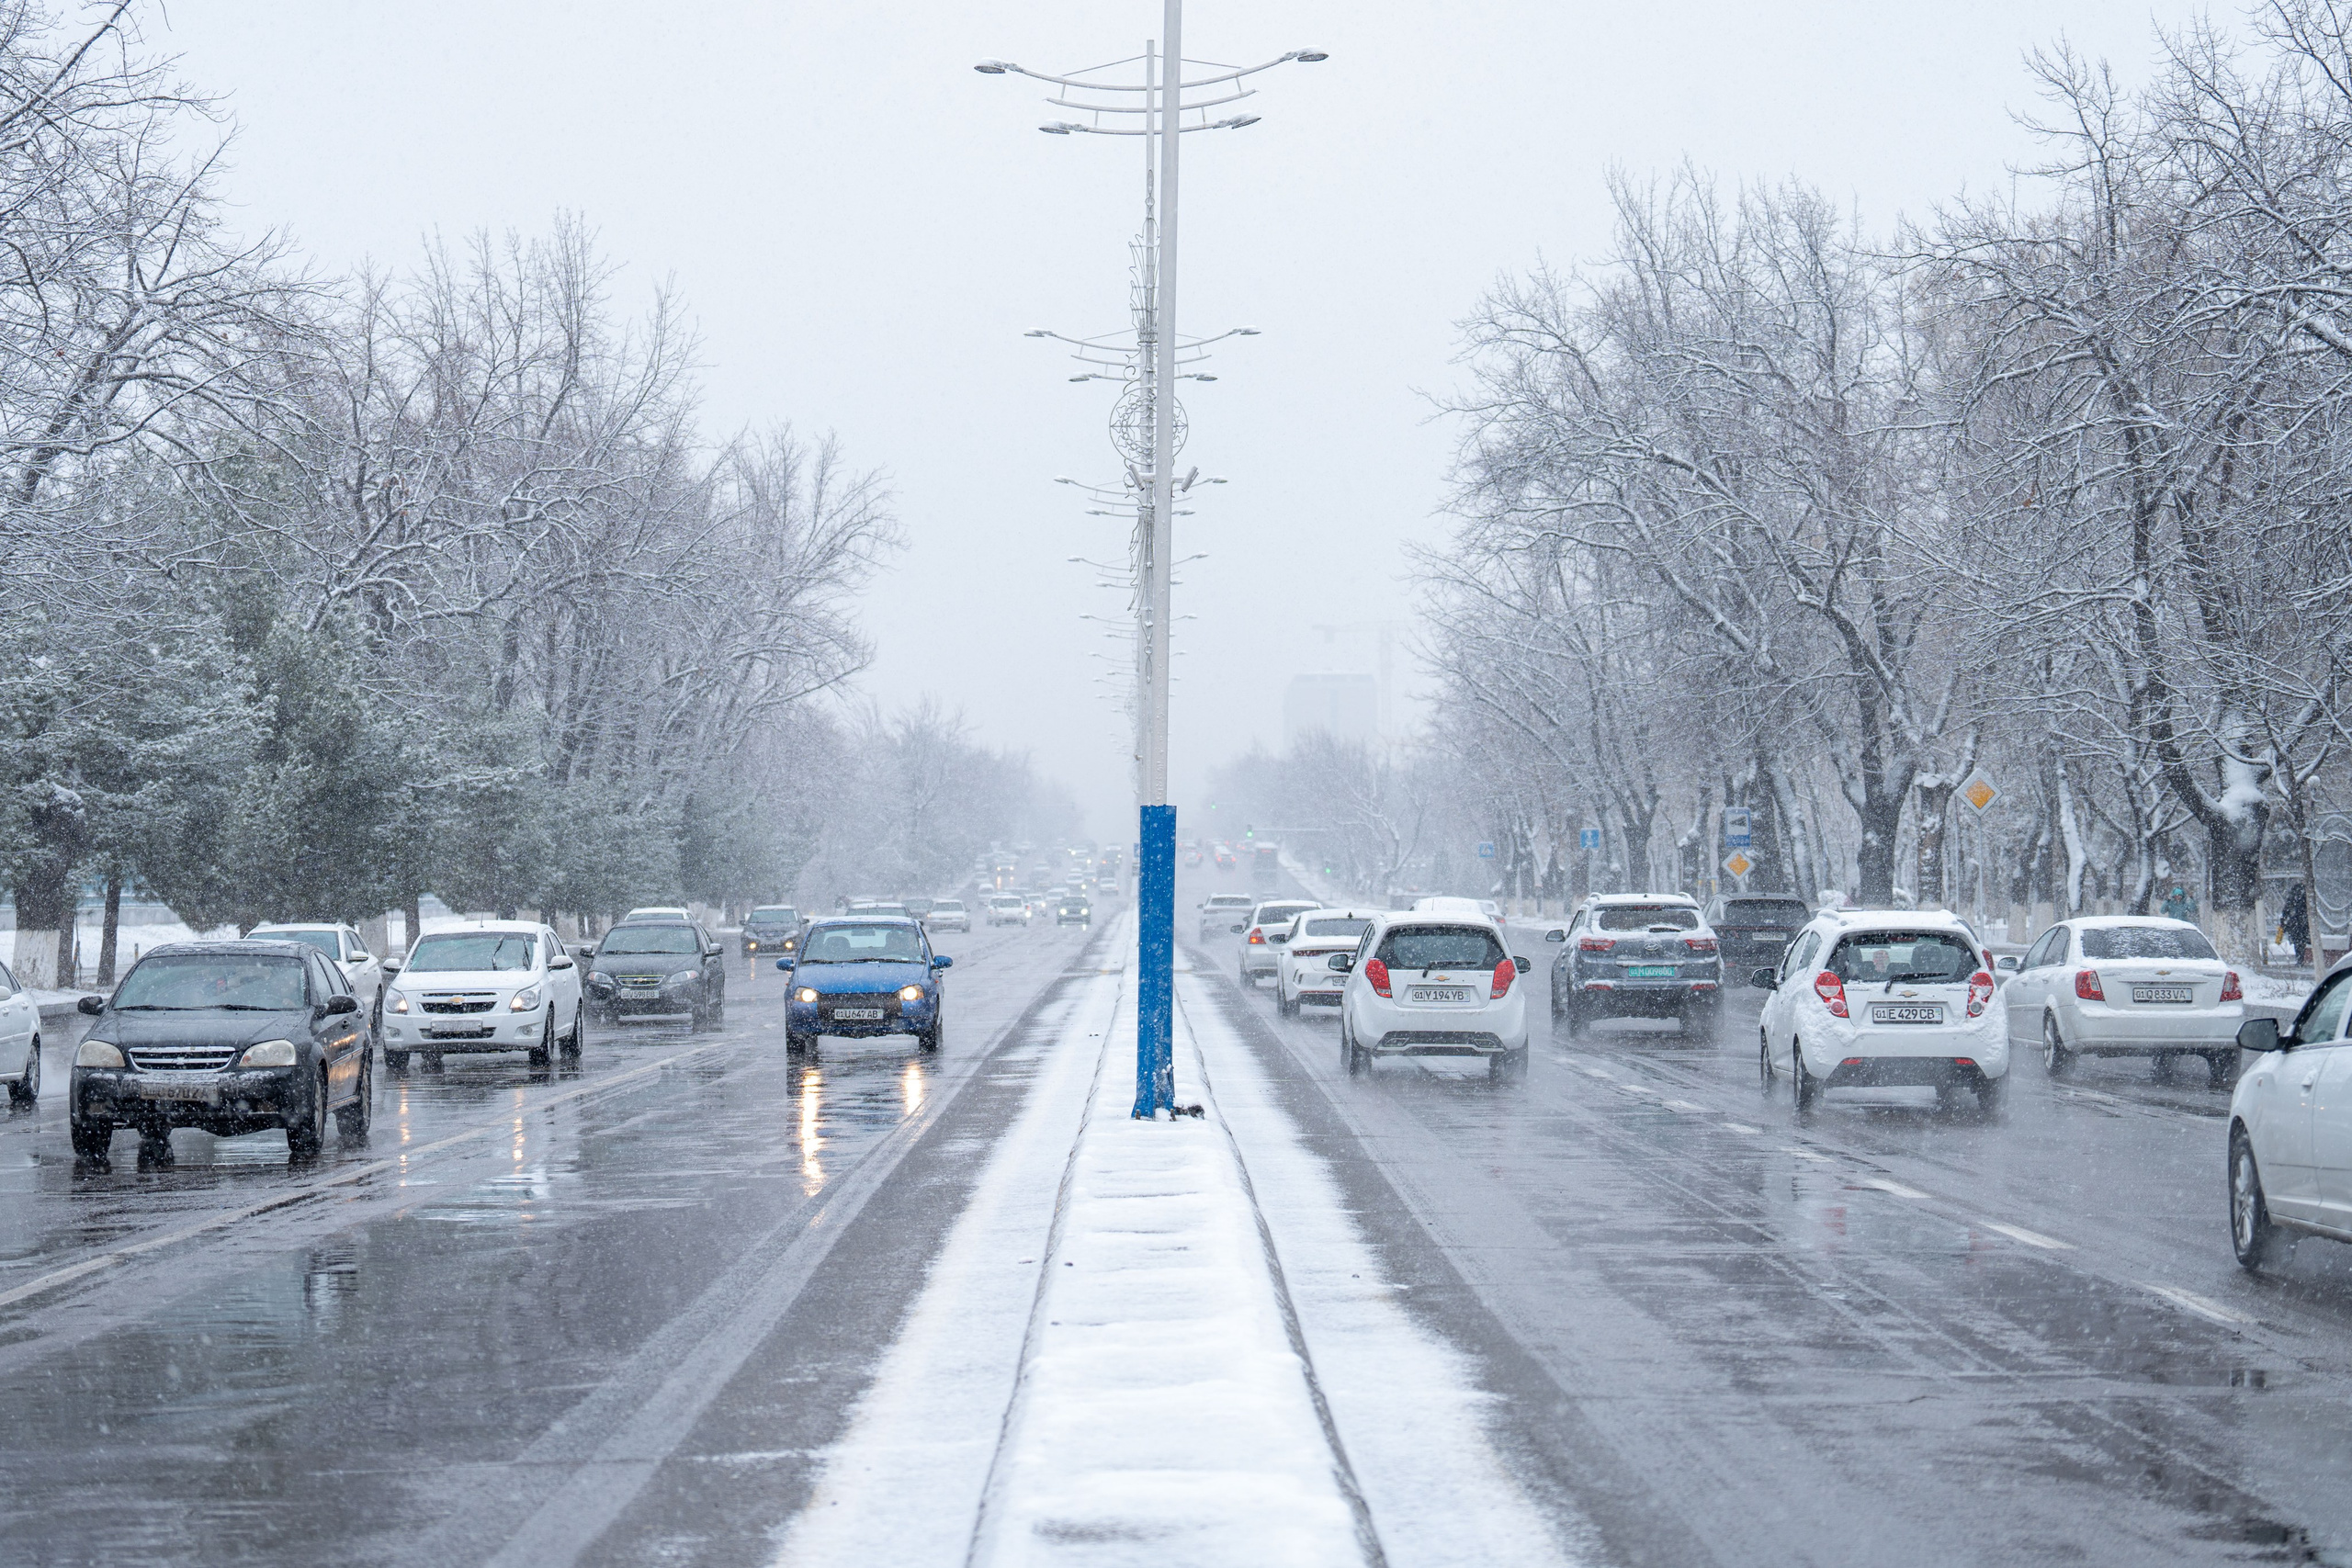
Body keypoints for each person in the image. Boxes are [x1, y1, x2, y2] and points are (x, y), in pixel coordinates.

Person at [2283, 882, 2312, 965]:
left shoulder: (2292, 899)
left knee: (2298, 943)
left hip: (2295, 925)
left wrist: (2285, 922)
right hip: (2303, 925)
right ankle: (2300, 959)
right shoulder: (2305, 899)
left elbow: (2286, 911)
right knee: (2301, 943)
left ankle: (2299, 959)